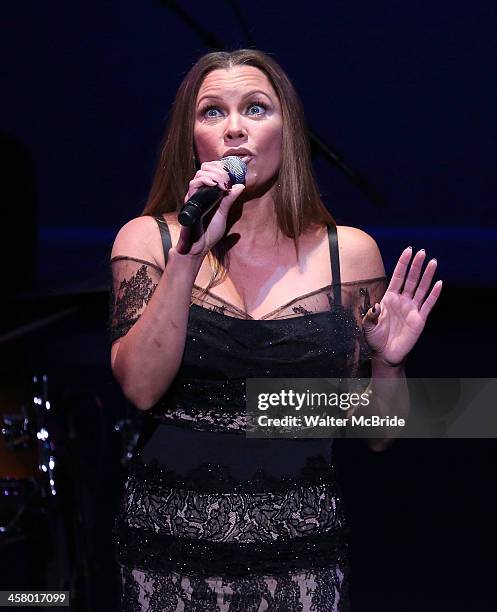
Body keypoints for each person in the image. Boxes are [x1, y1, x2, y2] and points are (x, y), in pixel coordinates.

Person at [108, 49, 442, 612]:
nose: (234, 127)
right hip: (170, 552)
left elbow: (381, 433)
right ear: (192, 138)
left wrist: (389, 361)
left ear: (287, 131)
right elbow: (141, 387)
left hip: (301, 556)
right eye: (212, 112)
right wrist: (191, 253)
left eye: (255, 108)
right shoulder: (150, 242)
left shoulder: (350, 256)